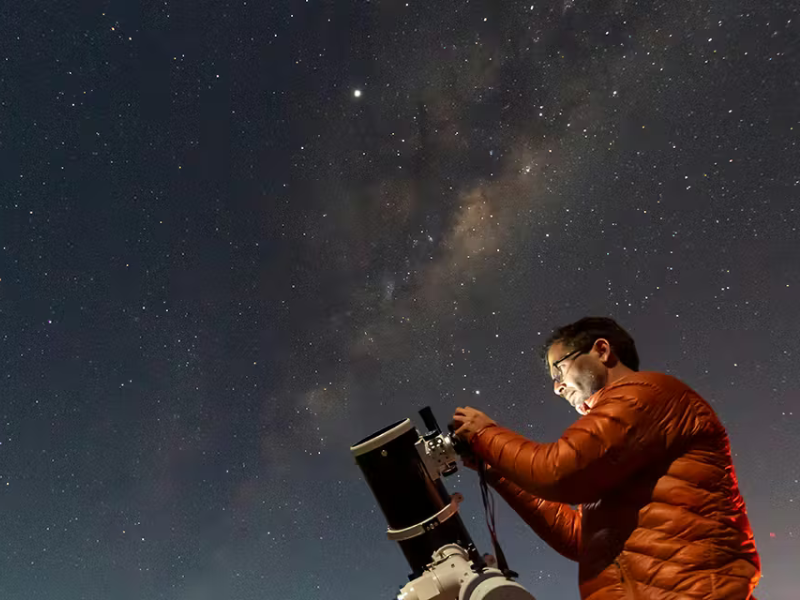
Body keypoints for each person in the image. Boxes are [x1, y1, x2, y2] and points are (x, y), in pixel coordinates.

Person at [451, 316, 761, 599]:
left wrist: (485, 433)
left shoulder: (644, 394)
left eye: (558, 369)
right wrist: (495, 469)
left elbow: (558, 470)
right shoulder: (621, 431)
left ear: (601, 350)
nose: (557, 388)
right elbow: (582, 538)